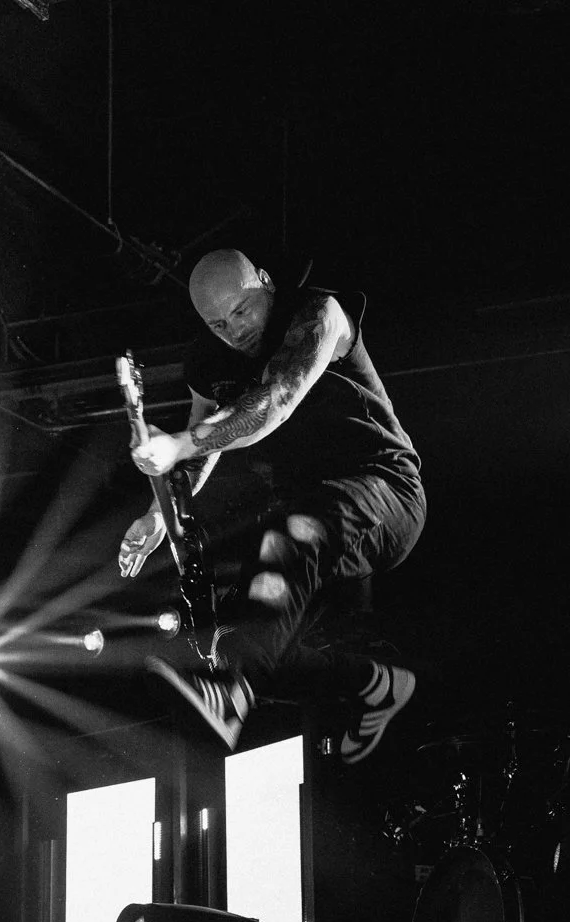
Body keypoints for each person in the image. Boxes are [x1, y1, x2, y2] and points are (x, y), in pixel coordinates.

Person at [118, 248, 426, 763]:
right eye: (217, 323)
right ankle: (375, 685)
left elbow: (277, 400)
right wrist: (159, 513)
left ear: (265, 281)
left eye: (242, 310)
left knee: (294, 532)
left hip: (386, 491)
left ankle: (231, 700)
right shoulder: (209, 363)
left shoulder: (317, 315)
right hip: (308, 513)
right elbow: (208, 443)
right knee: (246, 631)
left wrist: (180, 444)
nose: (233, 330)